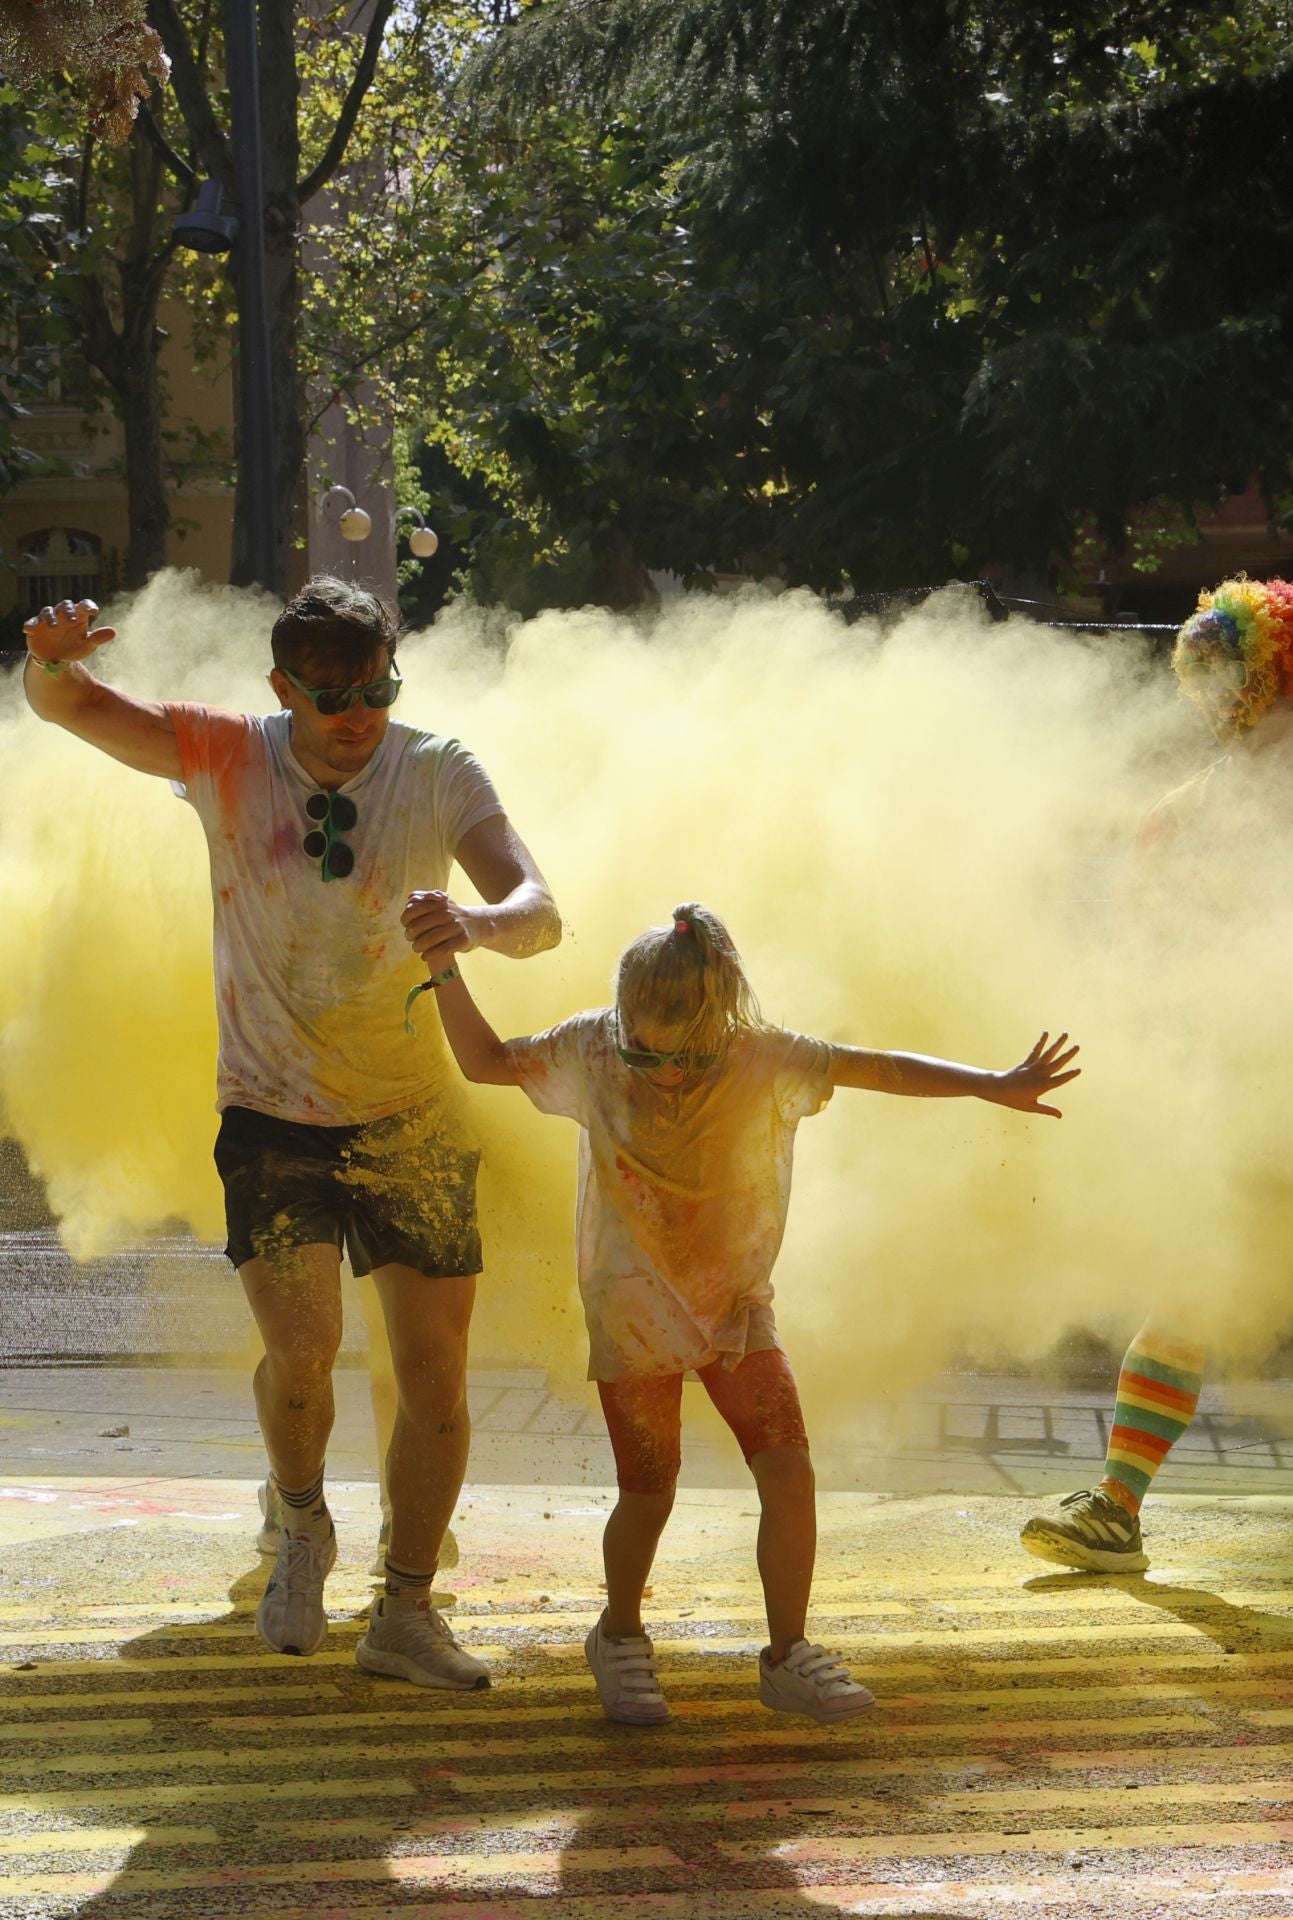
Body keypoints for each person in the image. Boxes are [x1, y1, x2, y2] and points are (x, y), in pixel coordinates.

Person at [22, 580, 561, 1685]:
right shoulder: (227, 753)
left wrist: (481, 923)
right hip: (270, 1113)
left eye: (377, 689)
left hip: (412, 1115)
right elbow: (77, 712)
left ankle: (405, 1610)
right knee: (304, 1359)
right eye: (333, 696)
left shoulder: (440, 768)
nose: (359, 713)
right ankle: (302, 1520)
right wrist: (52, 666)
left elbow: (542, 910)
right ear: (285, 690)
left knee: (436, 1375)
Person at [420, 899, 1079, 1724]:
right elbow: (483, 1060)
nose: (659, 1071)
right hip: (631, 1307)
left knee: (788, 1470)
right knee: (648, 1491)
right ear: (621, 1018)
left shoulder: (764, 1057)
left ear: (719, 1022)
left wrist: (991, 1084)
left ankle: (785, 1654)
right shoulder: (590, 1048)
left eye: (682, 1057)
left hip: (734, 1304)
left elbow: (874, 1067)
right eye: (642, 1051)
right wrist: (444, 964)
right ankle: (619, 1636)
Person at [1020, 574, 1293, 1574]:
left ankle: (1119, 1506)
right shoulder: (1186, 812)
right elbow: (1148, 961)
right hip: (1239, 1106)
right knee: (1189, 1294)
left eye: (1228, 675)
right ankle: (1118, 1507)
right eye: (1201, 679)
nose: (1213, 699)